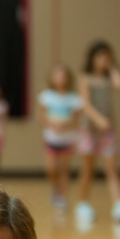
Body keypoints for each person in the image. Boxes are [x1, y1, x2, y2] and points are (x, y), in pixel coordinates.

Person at [76, 41, 120, 224]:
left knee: (112, 169)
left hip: (107, 132)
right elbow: (85, 104)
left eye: (108, 57)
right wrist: (98, 119)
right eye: (102, 57)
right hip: (89, 130)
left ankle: (118, 204)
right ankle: (83, 204)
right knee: (88, 169)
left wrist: (112, 67)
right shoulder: (85, 78)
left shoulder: (108, 78)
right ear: (93, 58)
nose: (105, 60)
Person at [37, 64, 83, 211]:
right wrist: (51, 123)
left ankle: (63, 198)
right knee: (51, 169)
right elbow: (41, 115)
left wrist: (65, 124)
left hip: (68, 139)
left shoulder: (74, 98)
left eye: (63, 75)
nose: (60, 78)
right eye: (57, 75)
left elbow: (76, 120)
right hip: (51, 139)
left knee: (64, 170)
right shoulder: (46, 96)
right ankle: (56, 189)